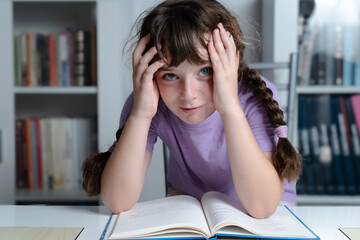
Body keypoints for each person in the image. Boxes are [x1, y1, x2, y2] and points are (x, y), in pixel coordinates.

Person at [82, 0, 302, 219]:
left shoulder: (253, 99)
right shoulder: (148, 99)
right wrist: (141, 113)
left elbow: (262, 207)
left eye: (205, 71)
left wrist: (229, 108)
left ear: (232, 61)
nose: (188, 94)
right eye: (170, 75)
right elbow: (116, 201)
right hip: (191, 211)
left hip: (266, 210)